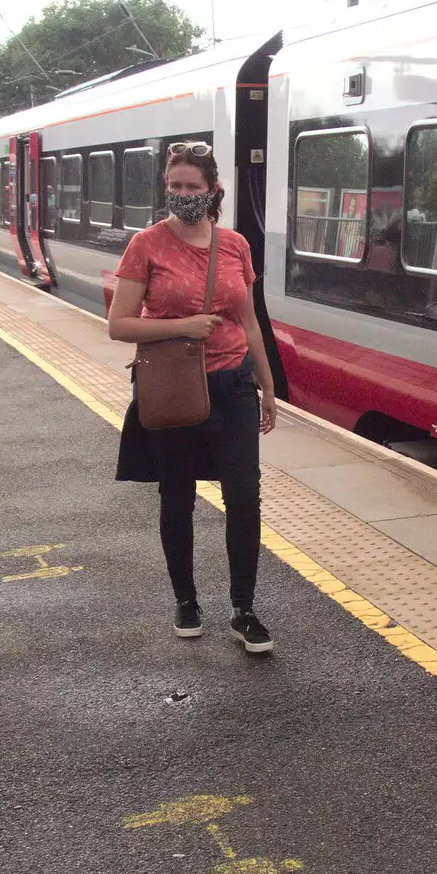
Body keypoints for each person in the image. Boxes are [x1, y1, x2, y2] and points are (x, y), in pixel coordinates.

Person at [108, 141, 279, 653]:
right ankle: (186, 599)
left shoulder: (234, 245)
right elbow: (119, 325)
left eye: (193, 187)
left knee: (244, 499)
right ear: (167, 187)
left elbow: (248, 320)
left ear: (212, 191)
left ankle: (244, 608)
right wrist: (185, 325)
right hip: (174, 387)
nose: (183, 195)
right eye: (175, 186)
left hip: (232, 386)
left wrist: (268, 386)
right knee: (177, 497)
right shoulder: (147, 245)